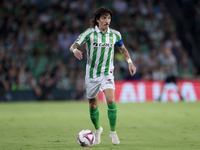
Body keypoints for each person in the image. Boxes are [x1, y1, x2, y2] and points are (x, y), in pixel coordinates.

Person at [69, 6, 136, 145]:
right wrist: (75, 50)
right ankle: (98, 130)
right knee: (93, 105)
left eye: (109, 18)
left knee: (111, 101)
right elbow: (73, 45)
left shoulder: (115, 34)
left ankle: (113, 133)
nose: (107, 21)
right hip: (92, 74)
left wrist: (130, 62)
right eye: (104, 18)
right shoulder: (89, 33)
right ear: (98, 19)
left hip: (107, 73)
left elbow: (122, 49)